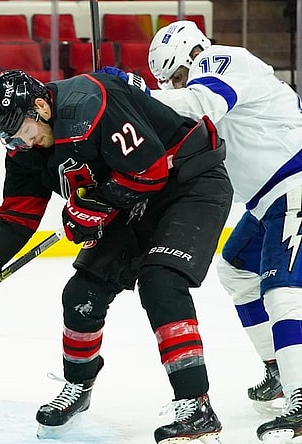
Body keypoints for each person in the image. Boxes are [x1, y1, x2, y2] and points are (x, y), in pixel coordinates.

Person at [0, 69, 233, 443]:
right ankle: (78, 388)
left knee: (160, 282)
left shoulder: (90, 103)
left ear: (40, 106)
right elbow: (17, 215)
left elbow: (149, 170)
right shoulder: (24, 148)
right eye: (8, 137)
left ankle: (196, 404)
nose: (19, 142)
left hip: (188, 179)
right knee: (81, 293)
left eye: (20, 130)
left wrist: (94, 208)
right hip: (130, 195)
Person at [124, 19, 302, 442]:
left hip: (297, 184)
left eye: (178, 77)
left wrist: (140, 94)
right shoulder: (208, 83)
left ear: (191, 55)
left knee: (283, 290)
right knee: (235, 269)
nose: (177, 86)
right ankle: (277, 369)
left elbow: (201, 101)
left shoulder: (222, 60)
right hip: (269, 201)